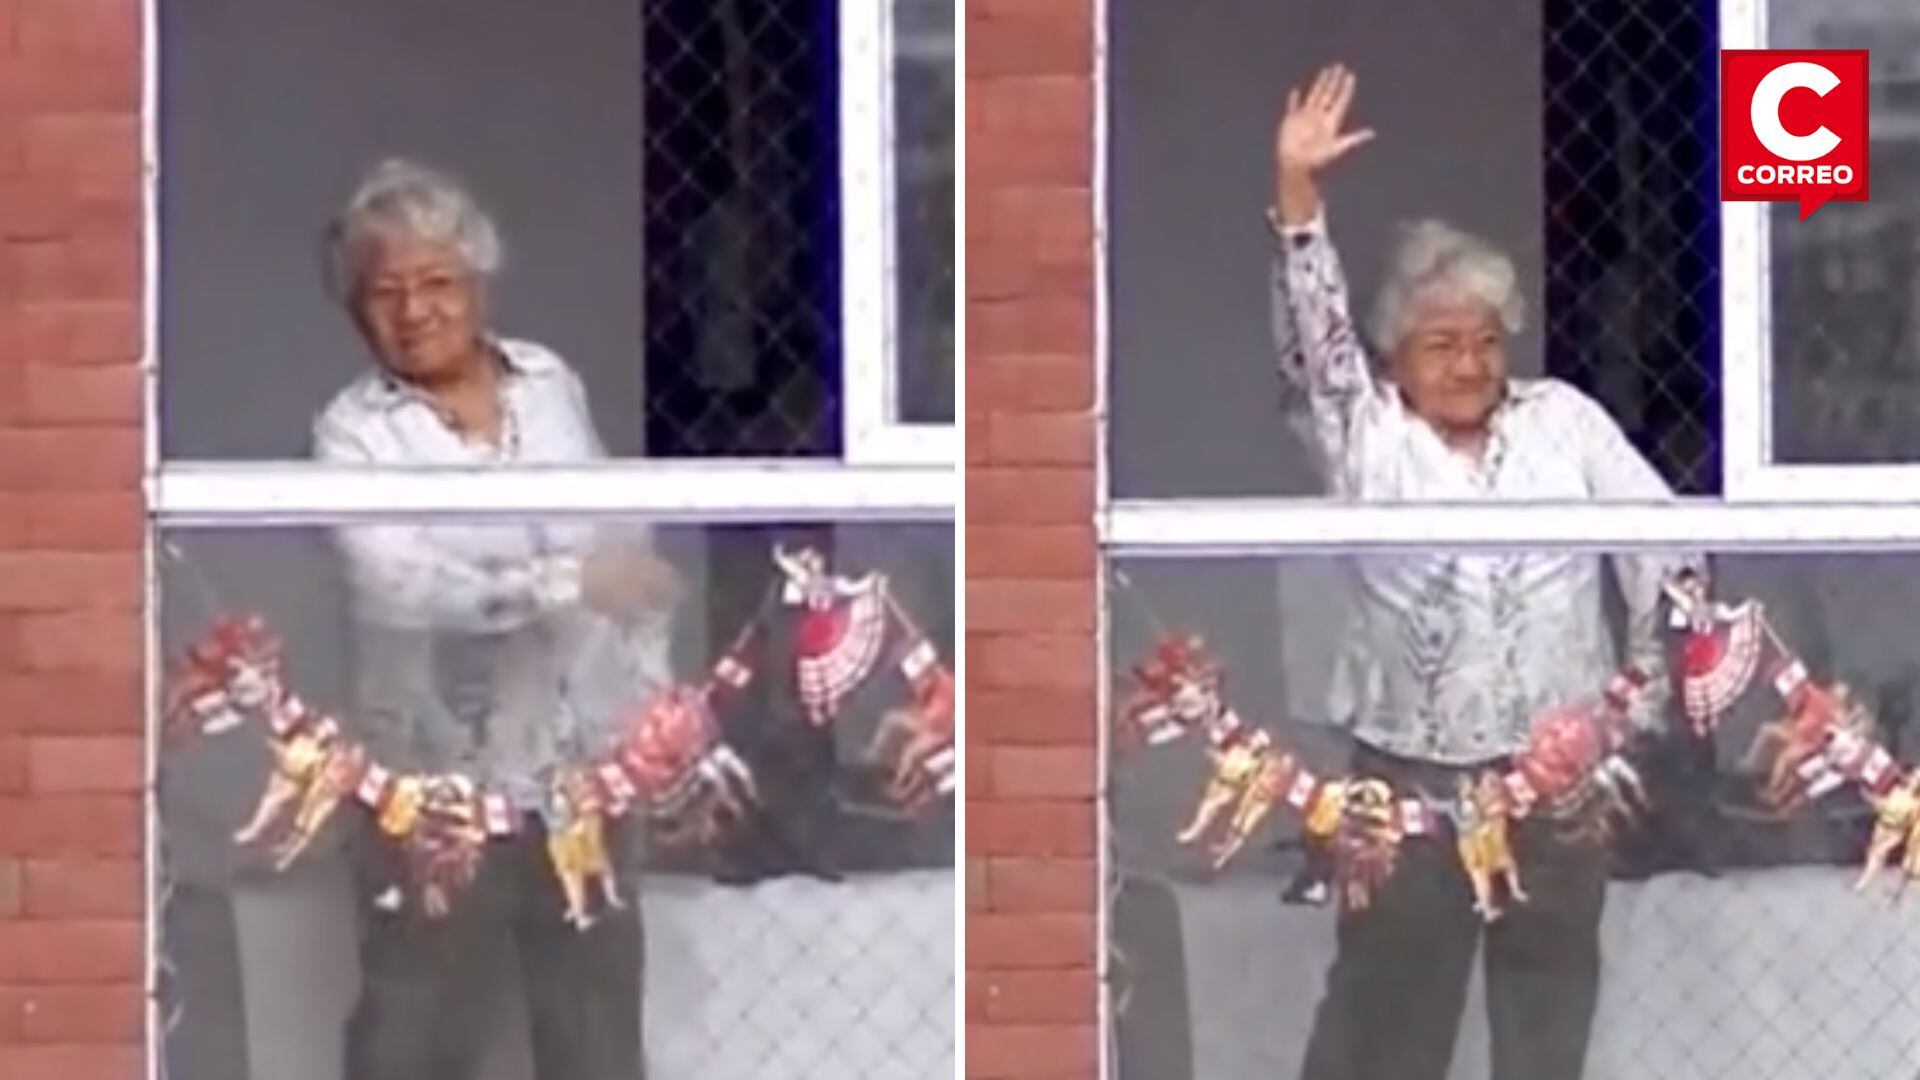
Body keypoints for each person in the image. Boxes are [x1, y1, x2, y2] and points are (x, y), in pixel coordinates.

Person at [1268, 64, 1696, 1080]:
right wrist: (1298, 199)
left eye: (1487, 341)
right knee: (1385, 1032)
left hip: (1555, 793)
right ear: (1395, 355)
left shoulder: (1565, 423)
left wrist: (1630, 705)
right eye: (1442, 344)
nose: (1469, 364)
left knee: (1544, 1036)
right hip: (1408, 792)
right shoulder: (1364, 432)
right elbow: (1314, 351)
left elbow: (1669, 546)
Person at [311, 158, 676, 1080]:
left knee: (592, 1022)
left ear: (478, 282)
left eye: (436, 282)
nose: (413, 309)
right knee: (419, 1028)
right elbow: (396, 584)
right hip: (433, 782)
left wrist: (652, 710)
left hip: (580, 771)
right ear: (355, 309)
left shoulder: (549, 380)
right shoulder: (352, 431)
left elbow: (616, 540)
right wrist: (566, 583)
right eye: (384, 291)